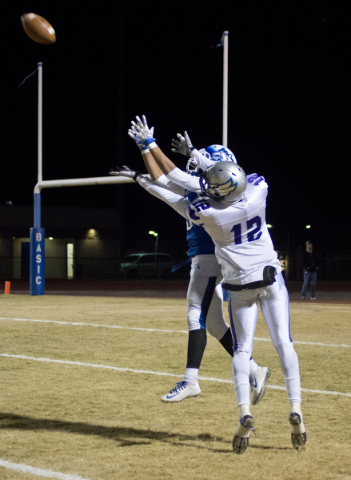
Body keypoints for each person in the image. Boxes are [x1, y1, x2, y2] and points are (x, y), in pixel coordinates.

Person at [110, 115, 306, 455]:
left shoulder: (206, 212)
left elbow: (172, 186)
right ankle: (294, 406)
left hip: (236, 283)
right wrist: (196, 155)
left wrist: (147, 154)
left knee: (232, 341)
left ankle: (234, 405)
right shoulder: (259, 188)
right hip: (269, 279)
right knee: (279, 342)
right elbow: (212, 177)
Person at [127, 120, 270, 405]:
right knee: (216, 325)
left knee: (196, 315)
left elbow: (171, 180)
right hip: (210, 256)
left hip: (209, 257)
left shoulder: (215, 193)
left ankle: (190, 380)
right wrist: (145, 150)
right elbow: (165, 180)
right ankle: (255, 369)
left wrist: (149, 148)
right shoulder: (209, 187)